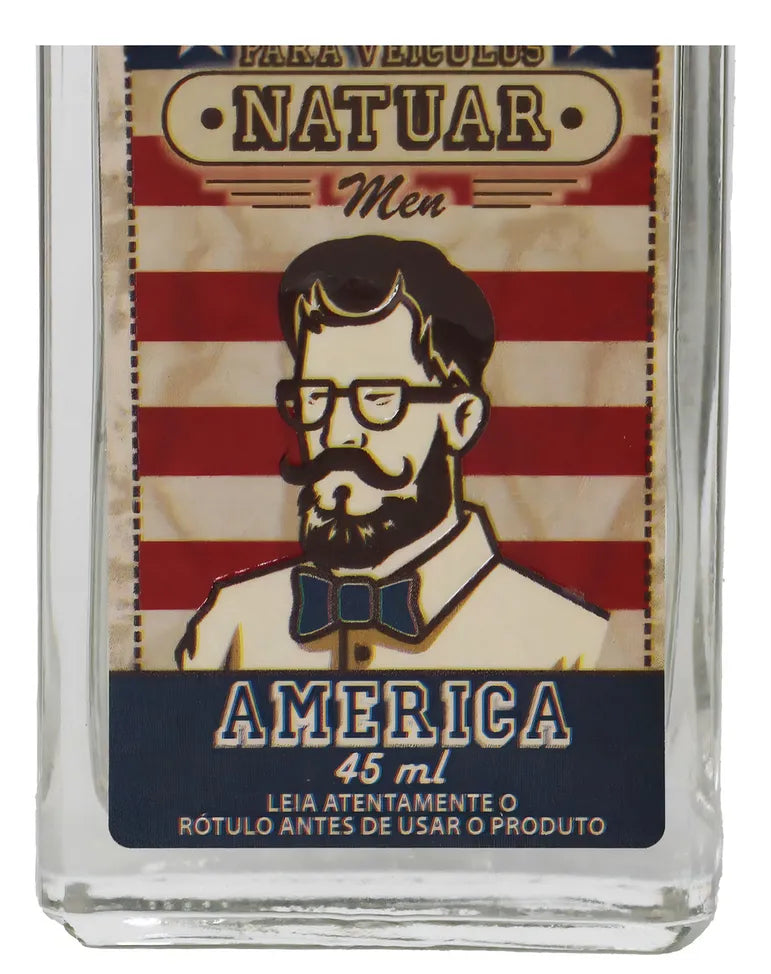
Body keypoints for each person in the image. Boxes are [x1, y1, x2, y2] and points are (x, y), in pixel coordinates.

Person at [176, 235, 609, 671]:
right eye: (316, 397)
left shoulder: (570, 647)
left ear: (461, 420)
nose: (338, 434)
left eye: (379, 399)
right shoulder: (231, 628)